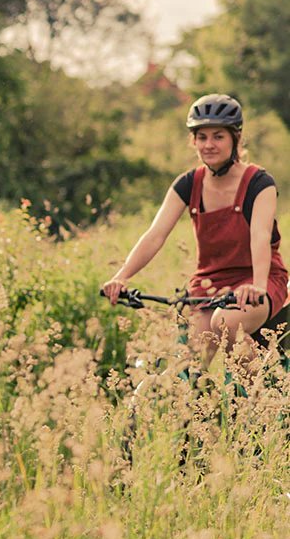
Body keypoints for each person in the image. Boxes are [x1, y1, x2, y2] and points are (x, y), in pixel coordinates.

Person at [102, 93, 288, 362]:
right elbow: (155, 235)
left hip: (259, 280)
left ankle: (267, 397)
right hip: (209, 286)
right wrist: (121, 277)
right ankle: (212, 403)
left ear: (235, 138)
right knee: (188, 360)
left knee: (224, 323)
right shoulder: (189, 184)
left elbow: (259, 237)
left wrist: (257, 286)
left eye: (218, 136)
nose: (208, 145)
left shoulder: (259, 183)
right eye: (202, 137)